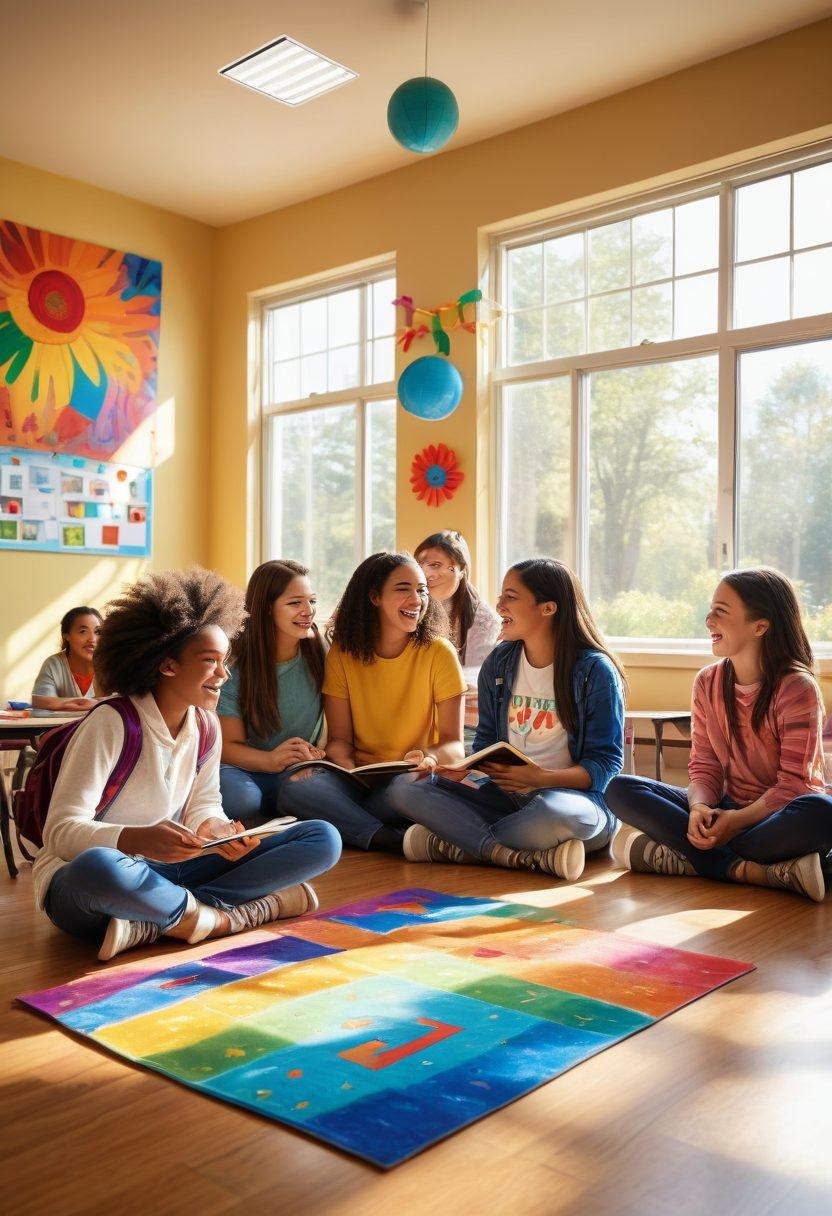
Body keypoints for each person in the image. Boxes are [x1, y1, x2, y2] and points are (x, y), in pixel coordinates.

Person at [34, 567, 341, 961]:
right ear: (167, 665)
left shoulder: (206, 726)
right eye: (210, 661)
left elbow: (204, 805)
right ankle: (233, 915)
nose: (223, 675)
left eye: (225, 661)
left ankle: (160, 919)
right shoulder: (112, 722)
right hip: (91, 882)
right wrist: (136, 839)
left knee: (321, 838)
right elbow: (60, 833)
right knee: (99, 867)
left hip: (171, 871)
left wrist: (217, 831)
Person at [387, 558, 626, 881]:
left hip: (573, 801)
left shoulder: (594, 671)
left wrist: (541, 778)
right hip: (503, 797)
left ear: (548, 608)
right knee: (405, 787)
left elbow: (605, 767)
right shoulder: (499, 663)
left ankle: (459, 845)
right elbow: (487, 743)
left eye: (511, 596)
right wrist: (458, 770)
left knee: (554, 814)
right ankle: (512, 854)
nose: (498, 604)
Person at [607, 567, 832, 902]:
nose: (708, 620)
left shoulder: (797, 687)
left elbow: (795, 784)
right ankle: (753, 870)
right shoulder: (707, 682)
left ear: (760, 626)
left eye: (721, 612)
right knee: (621, 788)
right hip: (726, 808)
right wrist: (699, 808)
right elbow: (704, 765)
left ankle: (687, 859)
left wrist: (735, 822)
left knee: (820, 812)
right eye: (710, 610)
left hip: (775, 815)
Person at [278, 551, 467, 854]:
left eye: (422, 590)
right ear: (375, 596)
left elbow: (454, 744)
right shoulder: (343, 653)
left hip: (409, 779)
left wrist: (430, 758)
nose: (417, 599)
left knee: (405, 791)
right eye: (403, 589)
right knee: (296, 789)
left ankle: (362, 828)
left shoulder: (439, 653)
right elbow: (340, 740)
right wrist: (349, 770)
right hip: (359, 781)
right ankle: (394, 839)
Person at [218, 560, 326, 826]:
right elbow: (227, 747)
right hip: (245, 769)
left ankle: (276, 819)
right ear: (267, 608)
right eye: (295, 603)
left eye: (312, 601)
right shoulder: (234, 664)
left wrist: (314, 756)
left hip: (297, 770)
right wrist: (271, 760)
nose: (308, 611)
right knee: (242, 799)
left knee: (317, 790)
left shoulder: (322, 651)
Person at [415, 531, 500, 667]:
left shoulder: (484, 622)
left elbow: (475, 677)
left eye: (436, 565)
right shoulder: (412, 607)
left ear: (462, 570)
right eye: (420, 565)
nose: (428, 574)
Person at [32, 607, 103, 710]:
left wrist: (61, 703)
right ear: (66, 636)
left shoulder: (111, 664)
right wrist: (87, 703)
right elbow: (39, 701)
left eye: (98, 632)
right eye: (83, 631)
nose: (92, 639)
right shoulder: (54, 664)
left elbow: (124, 700)